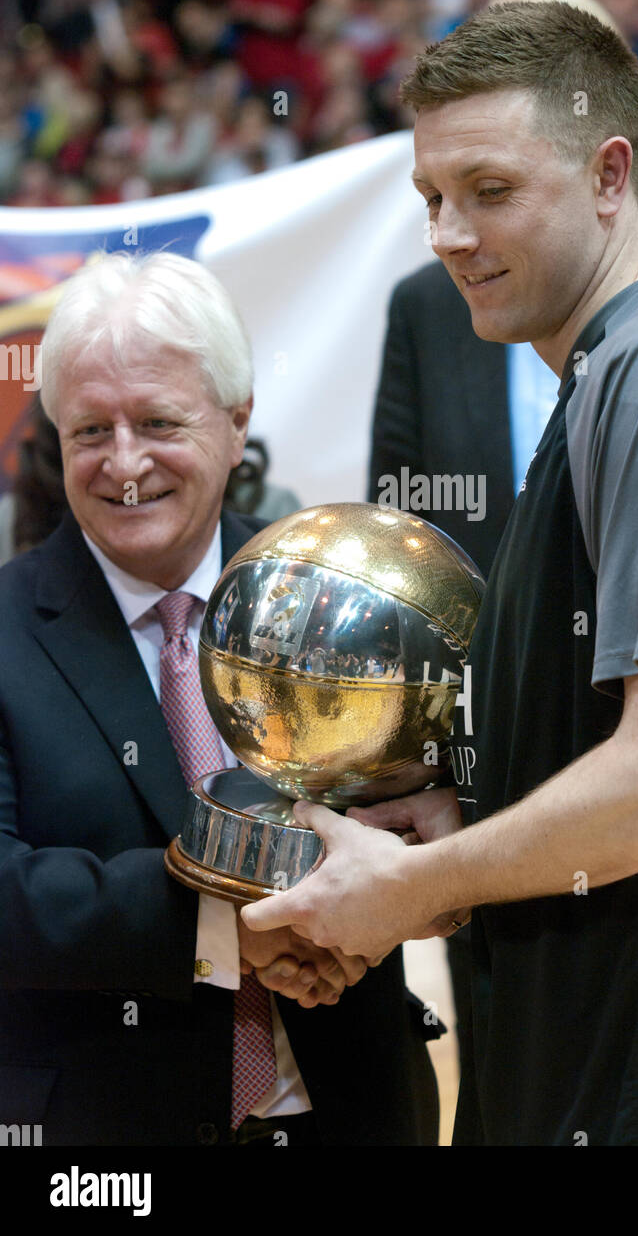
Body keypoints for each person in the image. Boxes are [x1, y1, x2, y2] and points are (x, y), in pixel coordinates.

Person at [243, 1, 638, 1146]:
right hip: (616, 1051)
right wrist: (456, 817)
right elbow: (599, 737)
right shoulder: (621, 364)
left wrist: (413, 891)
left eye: (488, 190)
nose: (446, 233)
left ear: (606, 174)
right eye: (430, 198)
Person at [0, 251, 438, 1146]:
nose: (125, 465)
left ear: (238, 425)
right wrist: (222, 921)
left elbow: (431, 797)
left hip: (356, 1112)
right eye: (90, 431)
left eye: (159, 421)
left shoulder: (343, 598)